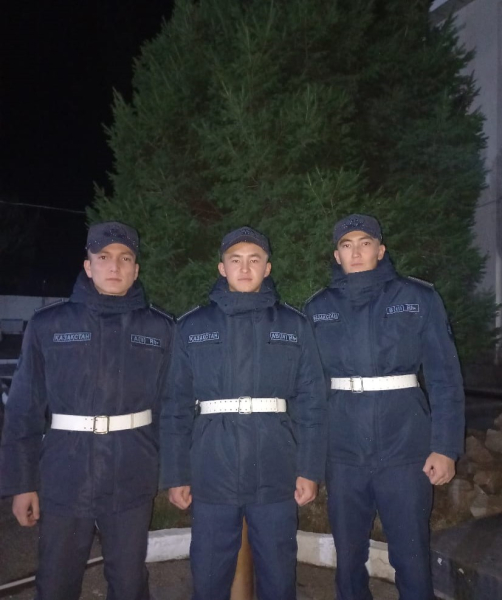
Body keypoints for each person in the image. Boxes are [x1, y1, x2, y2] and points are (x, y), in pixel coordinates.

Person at [0, 221, 174, 600]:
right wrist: (22, 483)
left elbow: (170, 408)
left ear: (136, 270)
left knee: (129, 583)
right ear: (88, 265)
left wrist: (174, 473)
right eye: (104, 257)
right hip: (65, 473)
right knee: (56, 583)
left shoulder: (160, 329)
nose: (114, 266)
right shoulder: (48, 325)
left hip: (131, 472)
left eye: (125, 259)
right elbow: (24, 409)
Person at [160, 226, 327, 600]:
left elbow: (312, 402)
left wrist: (309, 469)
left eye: (255, 260)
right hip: (211, 469)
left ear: (268, 268)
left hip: (276, 467)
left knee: (279, 575)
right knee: (208, 576)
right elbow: (175, 406)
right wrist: (176, 474)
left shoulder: (294, 325)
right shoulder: (191, 326)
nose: (245, 268)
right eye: (235, 260)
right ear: (222, 268)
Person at [304, 214, 464, 600]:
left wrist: (445, 446)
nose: (356, 252)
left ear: (380, 250)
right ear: (337, 255)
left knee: (411, 554)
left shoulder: (418, 298)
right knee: (348, 556)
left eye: (365, 243)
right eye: (346, 246)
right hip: (343, 449)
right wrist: (308, 460)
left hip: (405, 445)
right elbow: (308, 389)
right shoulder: (317, 307)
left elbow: (444, 377)